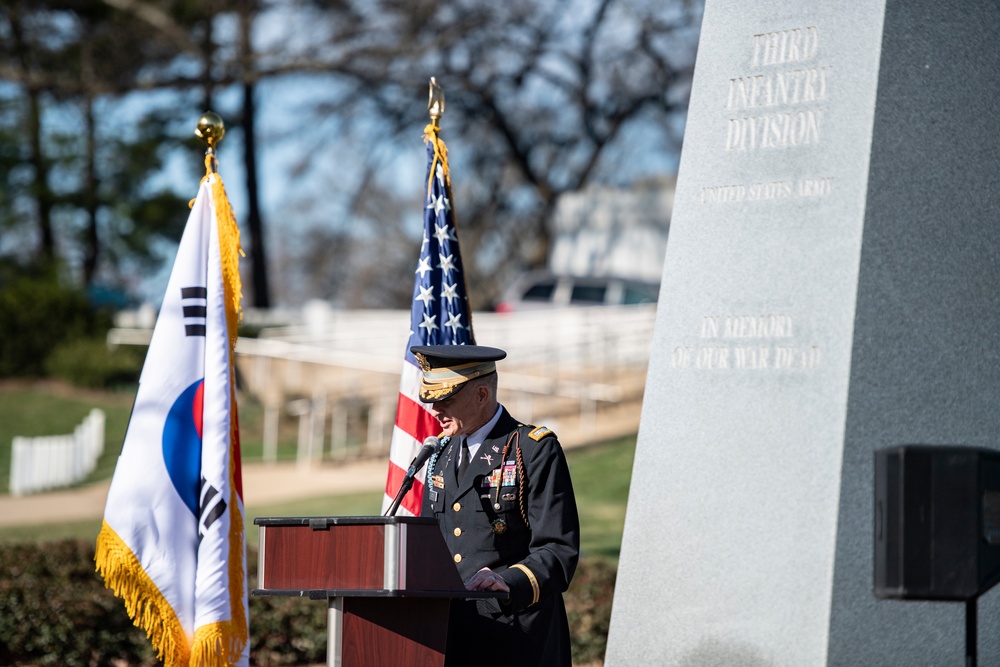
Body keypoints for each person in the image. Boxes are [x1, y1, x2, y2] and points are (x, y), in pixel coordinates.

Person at [412, 343, 581, 667]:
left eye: (445, 399)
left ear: (481, 395)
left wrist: (509, 581)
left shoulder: (531, 450)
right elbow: (426, 542)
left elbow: (559, 550)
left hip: (516, 635)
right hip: (451, 634)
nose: (435, 410)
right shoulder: (439, 455)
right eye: (431, 400)